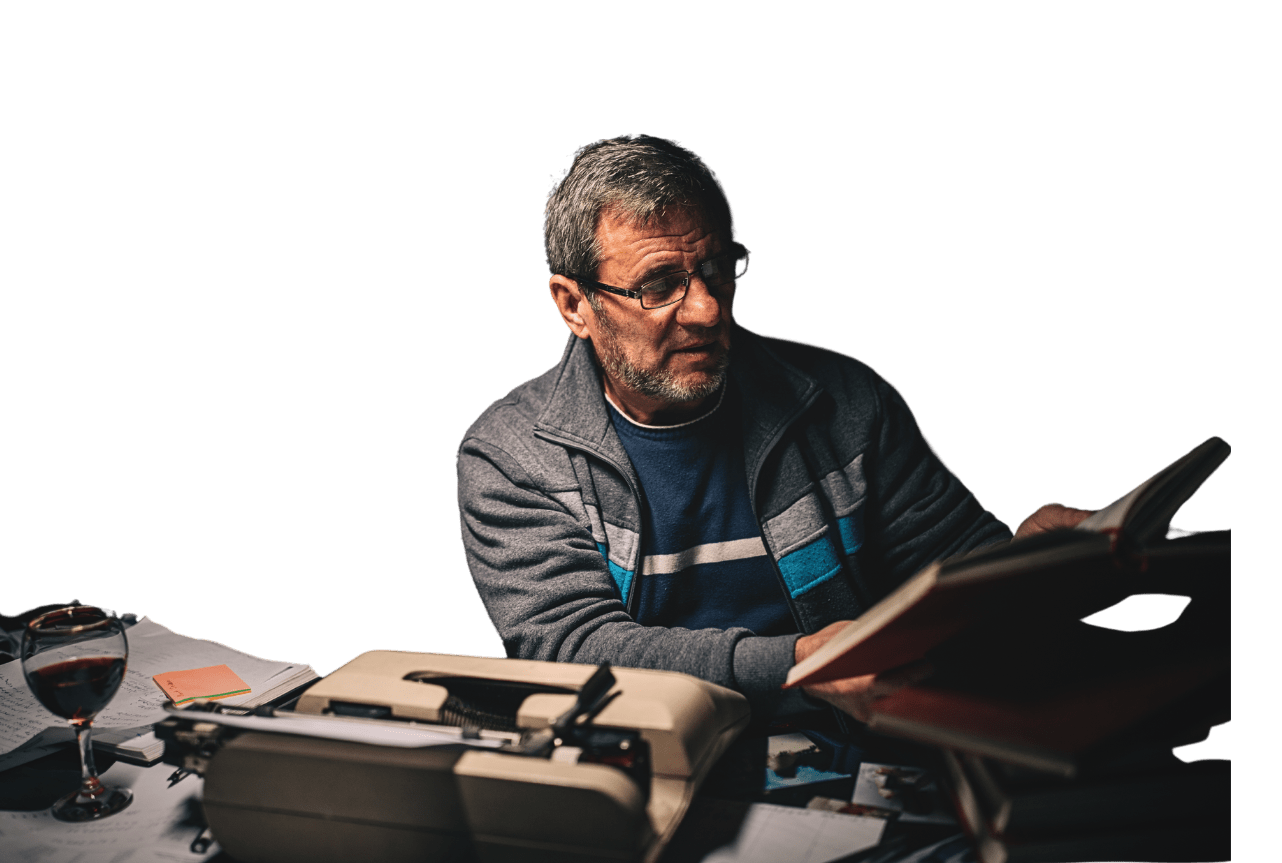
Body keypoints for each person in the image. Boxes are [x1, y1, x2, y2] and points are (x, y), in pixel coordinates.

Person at [454, 134, 1088, 730]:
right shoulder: (511, 457)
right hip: (651, 768)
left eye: (719, 269)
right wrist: (796, 664)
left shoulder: (846, 402)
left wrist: (1025, 574)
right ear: (574, 306)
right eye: (660, 285)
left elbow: (949, 572)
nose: (706, 309)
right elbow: (574, 648)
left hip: (871, 754)